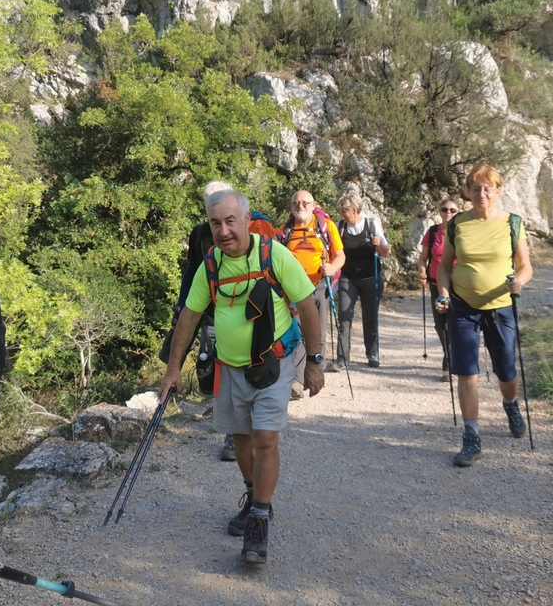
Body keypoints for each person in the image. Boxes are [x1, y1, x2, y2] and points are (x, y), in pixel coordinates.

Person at [159, 189, 324, 565]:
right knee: (243, 443)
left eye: (230, 221)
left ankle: (260, 520)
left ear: (246, 220)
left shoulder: (274, 255)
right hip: (230, 368)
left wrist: (314, 361)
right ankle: (253, 496)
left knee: (265, 440)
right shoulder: (211, 265)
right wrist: (172, 369)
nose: (223, 230)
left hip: (273, 364)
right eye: (216, 223)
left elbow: (307, 305)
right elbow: (189, 315)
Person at [434, 165, 533, 467]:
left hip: (501, 305)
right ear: (468, 191)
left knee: (506, 368)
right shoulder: (458, 224)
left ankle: (511, 405)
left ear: (498, 190)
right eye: (475, 188)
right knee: (467, 372)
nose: (482, 193)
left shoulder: (512, 223)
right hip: (462, 306)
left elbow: (526, 266)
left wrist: (520, 281)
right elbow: (444, 266)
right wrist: (443, 294)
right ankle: (471, 436)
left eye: (488, 187)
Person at [171, 180, 235, 460]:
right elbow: (192, 271)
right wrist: (182, 305)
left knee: (233, 369)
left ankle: (234, 433)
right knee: (210, 365)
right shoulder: (199, 233)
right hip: (208, 309)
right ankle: (228, 419)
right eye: (209, 203)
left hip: (240, 311)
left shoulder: (247, 227)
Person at [280, 190, 344, 389]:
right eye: (296, 203)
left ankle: (315, 373)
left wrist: (332, 268)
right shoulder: (286, 230)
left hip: (320, 286)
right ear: (291, 206)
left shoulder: (327, 227)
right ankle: (298, 381)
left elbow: (340, 255)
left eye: (305, 203)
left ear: (313, 204)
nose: (300, 206)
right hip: (293, 289)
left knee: (318, 332)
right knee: (298, 332)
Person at [332, 192, 390, 370]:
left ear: (355, 210)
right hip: (347, 278)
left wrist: (378, 243)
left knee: (370, 317)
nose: (342, 214)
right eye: (341, 211)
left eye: (344, 211)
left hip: (371, 278)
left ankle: (372, 354)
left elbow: (385, 252)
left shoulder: (371, 225)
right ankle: (342, 358)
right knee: (344, 316)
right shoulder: (340, 227)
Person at [418, 198, 460, 381]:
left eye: (452, 210)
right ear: (439, 211)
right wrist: (421, 271)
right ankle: (449, 353)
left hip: (459, 285)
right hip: (436, 284)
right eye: (444, 209)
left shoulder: (462, 232)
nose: (448, 213)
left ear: (458, 212)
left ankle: (449, 362)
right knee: (439, 322)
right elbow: (423, 258)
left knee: (454, 322)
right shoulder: (433, 232)